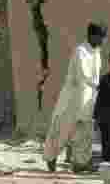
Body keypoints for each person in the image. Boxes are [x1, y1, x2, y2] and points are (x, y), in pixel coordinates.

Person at [44, 22, 106, 174]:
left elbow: (95, 77)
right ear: (92, 36)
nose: (103, 41)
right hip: (74, 98)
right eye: (101, 37)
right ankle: (51, 157)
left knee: (85, 132)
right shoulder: (80, 51)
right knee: (64, 129)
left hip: (89, 99)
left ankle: (80, 163)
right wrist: (100, 85)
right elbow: (84, 76)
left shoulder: (97, 52)